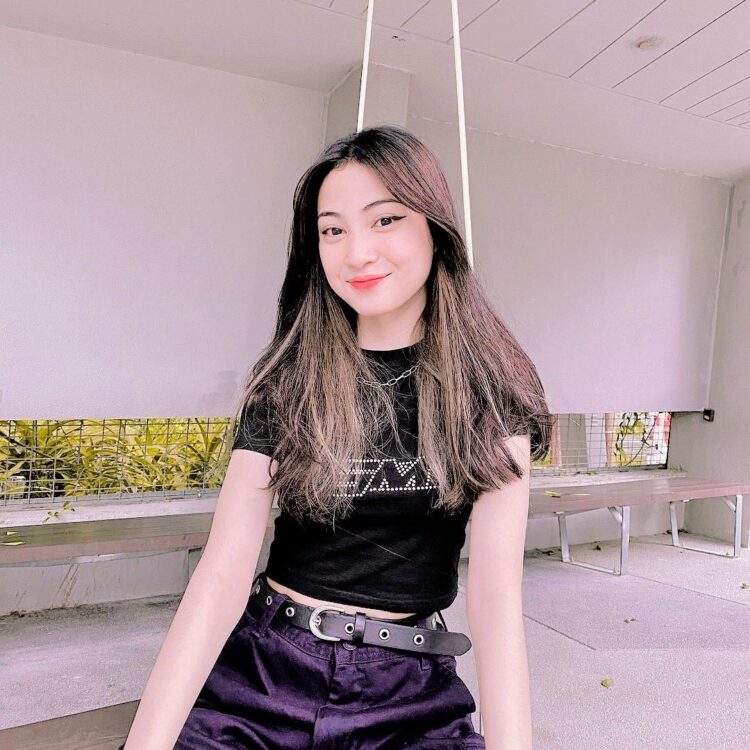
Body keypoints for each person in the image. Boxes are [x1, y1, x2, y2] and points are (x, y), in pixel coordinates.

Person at [120, 124, 553, 750]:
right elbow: (222, 571)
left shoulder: (491, 391)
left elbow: (495, 596)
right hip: (263, 672)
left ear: (434, 227)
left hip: (410, 692)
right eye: (333, 230)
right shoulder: (288, 381)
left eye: (385, 220)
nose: (357, 253)